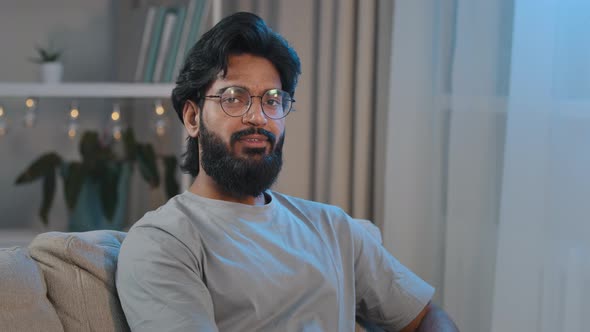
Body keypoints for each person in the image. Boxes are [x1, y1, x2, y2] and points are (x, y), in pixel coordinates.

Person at [116, 12, 459, 332]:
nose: (259, 117)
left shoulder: (333, 228)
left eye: (273, 99)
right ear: (192, 118)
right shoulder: (164, 242)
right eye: (234, 97)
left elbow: (425, 315)